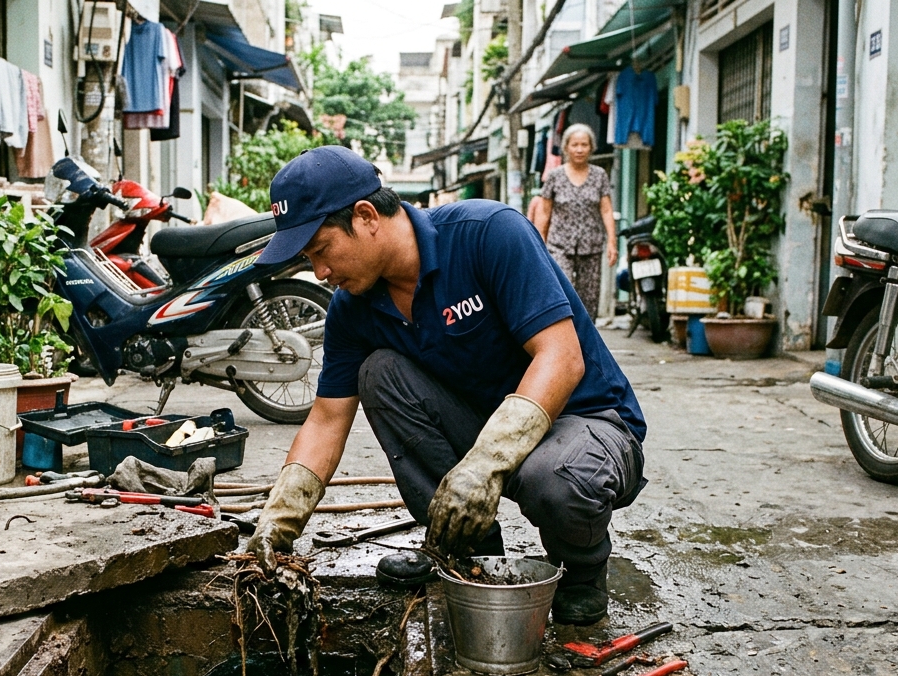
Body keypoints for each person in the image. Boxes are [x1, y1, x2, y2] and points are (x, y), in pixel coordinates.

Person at [239, 145, 646, 625]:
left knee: (552, 480)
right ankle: (466, 552)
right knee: (379, 374)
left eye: (322, 250)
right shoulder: (352, 309)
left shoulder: (488, 233)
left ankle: (580, 573)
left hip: (587, 425)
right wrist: (276, 524)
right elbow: (328, 418)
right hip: (488, 430)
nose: (320, 273)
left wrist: (484, 466)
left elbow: (562, 357)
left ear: (366, 216)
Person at [534, 123, 617, 320]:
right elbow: (544, 212)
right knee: (561, 293)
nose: (579, 149)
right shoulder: (555, 176)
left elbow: (606, 209)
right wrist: (538, 244)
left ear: (591, 147)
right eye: (575, 145)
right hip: (559, 245)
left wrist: (612, 242)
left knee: (589, 299)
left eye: (584, 145)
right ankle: (564, 337)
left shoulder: (599, 175)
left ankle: (587, 344)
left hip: (592, 245)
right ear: (566, 147)